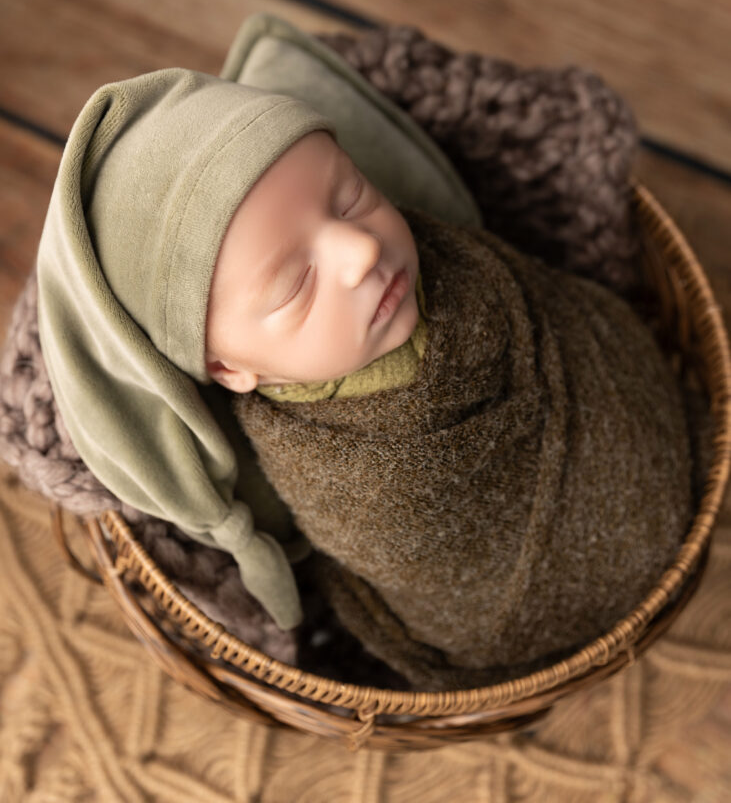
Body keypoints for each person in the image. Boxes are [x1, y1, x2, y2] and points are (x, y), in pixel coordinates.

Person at [36, 67, 692, 689]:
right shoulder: (329, 469)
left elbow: (570, 316)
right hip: (511, 609)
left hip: (651, 421)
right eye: (293, 285)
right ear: (231, 369)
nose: (360, 251)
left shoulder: (448, 259)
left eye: (350, 196)